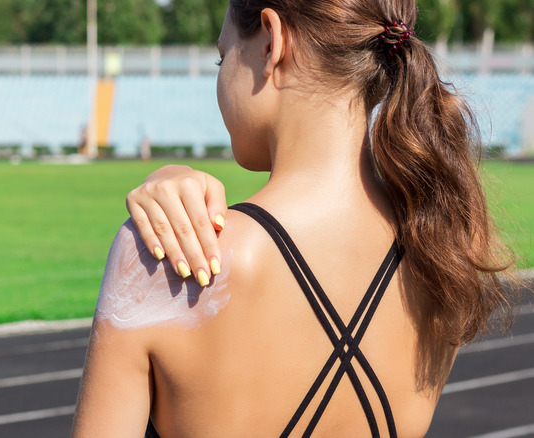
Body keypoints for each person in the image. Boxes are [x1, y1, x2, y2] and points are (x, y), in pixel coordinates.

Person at [72, 0, 515, 436]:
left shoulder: (164, 257)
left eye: (221, 57)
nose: (222, 75)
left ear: (271, 41)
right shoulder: (445, 251)